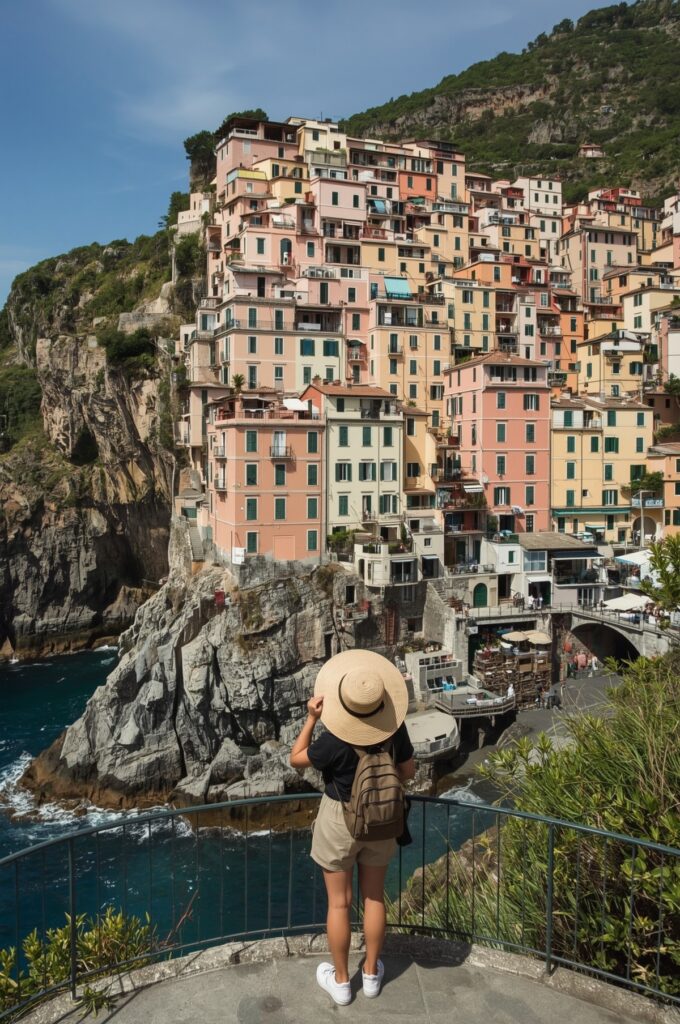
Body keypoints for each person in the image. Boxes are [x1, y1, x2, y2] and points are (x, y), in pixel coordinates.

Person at [290, 650, 415, 1006]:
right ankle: (372, 974)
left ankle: (343, 982)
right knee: (373, 897)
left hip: (339, 819)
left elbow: (296, 759)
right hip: (383, 819)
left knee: (339, 904)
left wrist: (311, 718)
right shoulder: (394, 729)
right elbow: (408, 772)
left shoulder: (335, 740)